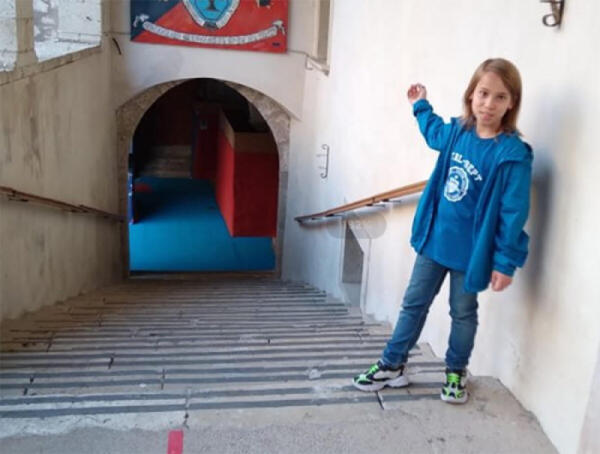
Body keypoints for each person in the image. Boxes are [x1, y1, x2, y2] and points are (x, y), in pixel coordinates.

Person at [352, 58, 533, 404]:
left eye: (500, 97)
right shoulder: (458, 133)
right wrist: (420, 105)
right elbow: (433, 132)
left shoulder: (513, 155)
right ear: (471, 95)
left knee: (462, 313)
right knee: (413, 304)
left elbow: (514, 213)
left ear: (512, 102)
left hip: (471, 254)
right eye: (483, 93)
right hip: (434, 241)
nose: (489, 104)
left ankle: (455, 371)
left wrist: (505, 262)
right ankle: (392, 365)